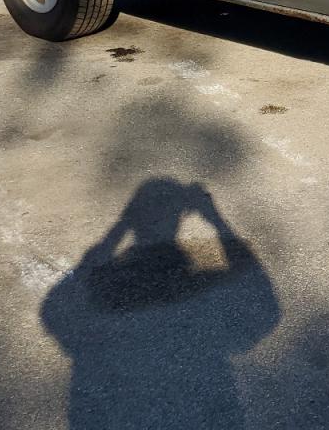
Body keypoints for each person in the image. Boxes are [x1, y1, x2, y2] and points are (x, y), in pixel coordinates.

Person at [41, 179, 280, 430]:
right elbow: (261, 298)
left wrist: (119, 228)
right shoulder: (198, 285)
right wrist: (214, 219)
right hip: (207, 412)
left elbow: (59, 304)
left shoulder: (107, 285)